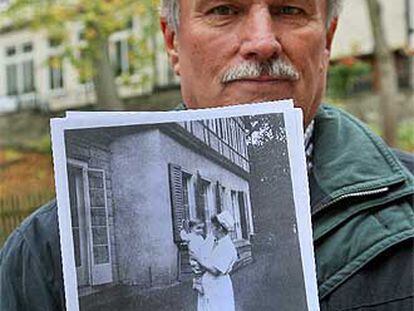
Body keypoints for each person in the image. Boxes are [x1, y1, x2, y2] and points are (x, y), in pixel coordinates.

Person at [0, 0, 413, 310]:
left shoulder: (406, 215)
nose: (263, 42)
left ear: (326, 41)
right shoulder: (45, 253)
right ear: (172, 42)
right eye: (223, 10)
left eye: (289, 9)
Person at [191, 211, 238, 311]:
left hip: (219, 287)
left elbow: (215, 271)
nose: (211, 230)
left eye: (213, 227)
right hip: (207, 285)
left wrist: (197, 259)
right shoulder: (212, 239)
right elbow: (202, 252)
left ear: (220, 228)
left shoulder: (228, 247)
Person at [180, 219, 208, 295]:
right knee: (197, 271)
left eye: (201, 228)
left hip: (200, 257)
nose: (200, 230)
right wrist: (182, 229)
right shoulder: (190, 236)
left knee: (202, 271)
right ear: (192, 228)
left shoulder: (201, 238)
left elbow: (204, 247)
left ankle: (199, 284)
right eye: (198, 228)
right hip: (194, 258)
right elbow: (183, 237)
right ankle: (196, 284)